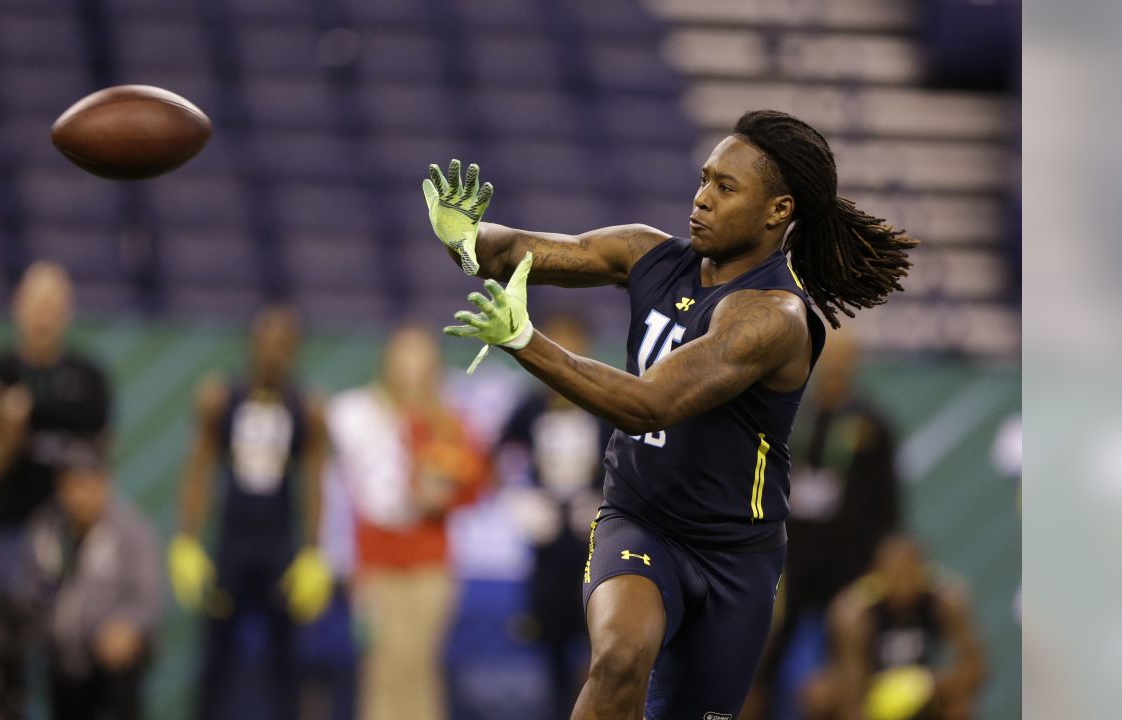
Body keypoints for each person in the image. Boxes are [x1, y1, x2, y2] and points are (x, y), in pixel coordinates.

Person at [422, 109, 918, 719]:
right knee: (619, 658)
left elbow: (647, 403)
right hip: (640, 520)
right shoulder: (648, 253)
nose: (701, 198)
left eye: (725, 187)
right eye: (705, 179)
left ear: (778, 211)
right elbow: (518, 254)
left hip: (736, 557)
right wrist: (465, 239)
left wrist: (527, 342)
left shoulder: (773, 317)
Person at [0, 261, 112, 719]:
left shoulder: (88, 377)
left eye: (54, 304)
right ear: (17, 306)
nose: (44, 314)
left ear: (68, 311)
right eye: (36, 302)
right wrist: (3, 414)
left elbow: (98, 455)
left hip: (57, 540)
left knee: (58, 659)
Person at [169, 306, 332, 720]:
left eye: (283, 346)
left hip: (279, 545)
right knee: (215, 659)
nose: (273, 355)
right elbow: (199, 470)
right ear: (252, 346)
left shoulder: (307, 408)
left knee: (287, 664)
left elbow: (313, 481)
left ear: (294, 352)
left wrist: (314, 550)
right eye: (266, 344)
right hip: (232, 543)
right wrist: (186, 540)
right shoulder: (221, 398)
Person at [326, 325, 490, 720]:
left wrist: (441, 497)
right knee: (380, 665)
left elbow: (473, 484)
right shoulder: (363, 415)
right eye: (403, 354)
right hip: (375, 565)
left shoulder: (449, 423)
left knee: (417, 664)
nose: (410, 366)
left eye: (418, 355)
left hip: (430, 564)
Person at [748, 330, 903, 720]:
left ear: (855, 365)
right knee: (762, 653)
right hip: (792, 555)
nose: (834, 368)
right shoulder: (792, 414)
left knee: (849, 658)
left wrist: (876, 562)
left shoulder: (872, 426)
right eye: (827, 359)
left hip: (851, 561)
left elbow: (888, 502)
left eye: (843, 360)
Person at [496, 314, 612, 719]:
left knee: (599, 634)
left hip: (594, 540)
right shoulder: (528, 407)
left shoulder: (606, 403)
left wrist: (606, 500)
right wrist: (519, 498)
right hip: (546, 543)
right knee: (550, 637)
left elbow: (631, 457)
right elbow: (503, 455)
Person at [14, 444, 162, 720]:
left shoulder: (131, 532)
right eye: (70, 486)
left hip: (111, 656)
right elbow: (29, 591)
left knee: (122, 661)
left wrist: (126, 626)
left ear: (102, 485)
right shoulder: (46, 532)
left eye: (85, 485)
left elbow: (148, 598)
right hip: (63, 655)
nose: (77, 498)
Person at [800, 535, 986, 720]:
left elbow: (977, 666)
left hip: (923, 685)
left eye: (909, 572)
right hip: (870, 687)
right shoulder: (857, 612)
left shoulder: (943, 600)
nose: (904, 583)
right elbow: (852, 686)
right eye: (896, 574)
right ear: (878, 573)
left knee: (959, 704)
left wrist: (929, 684)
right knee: (819, 695)